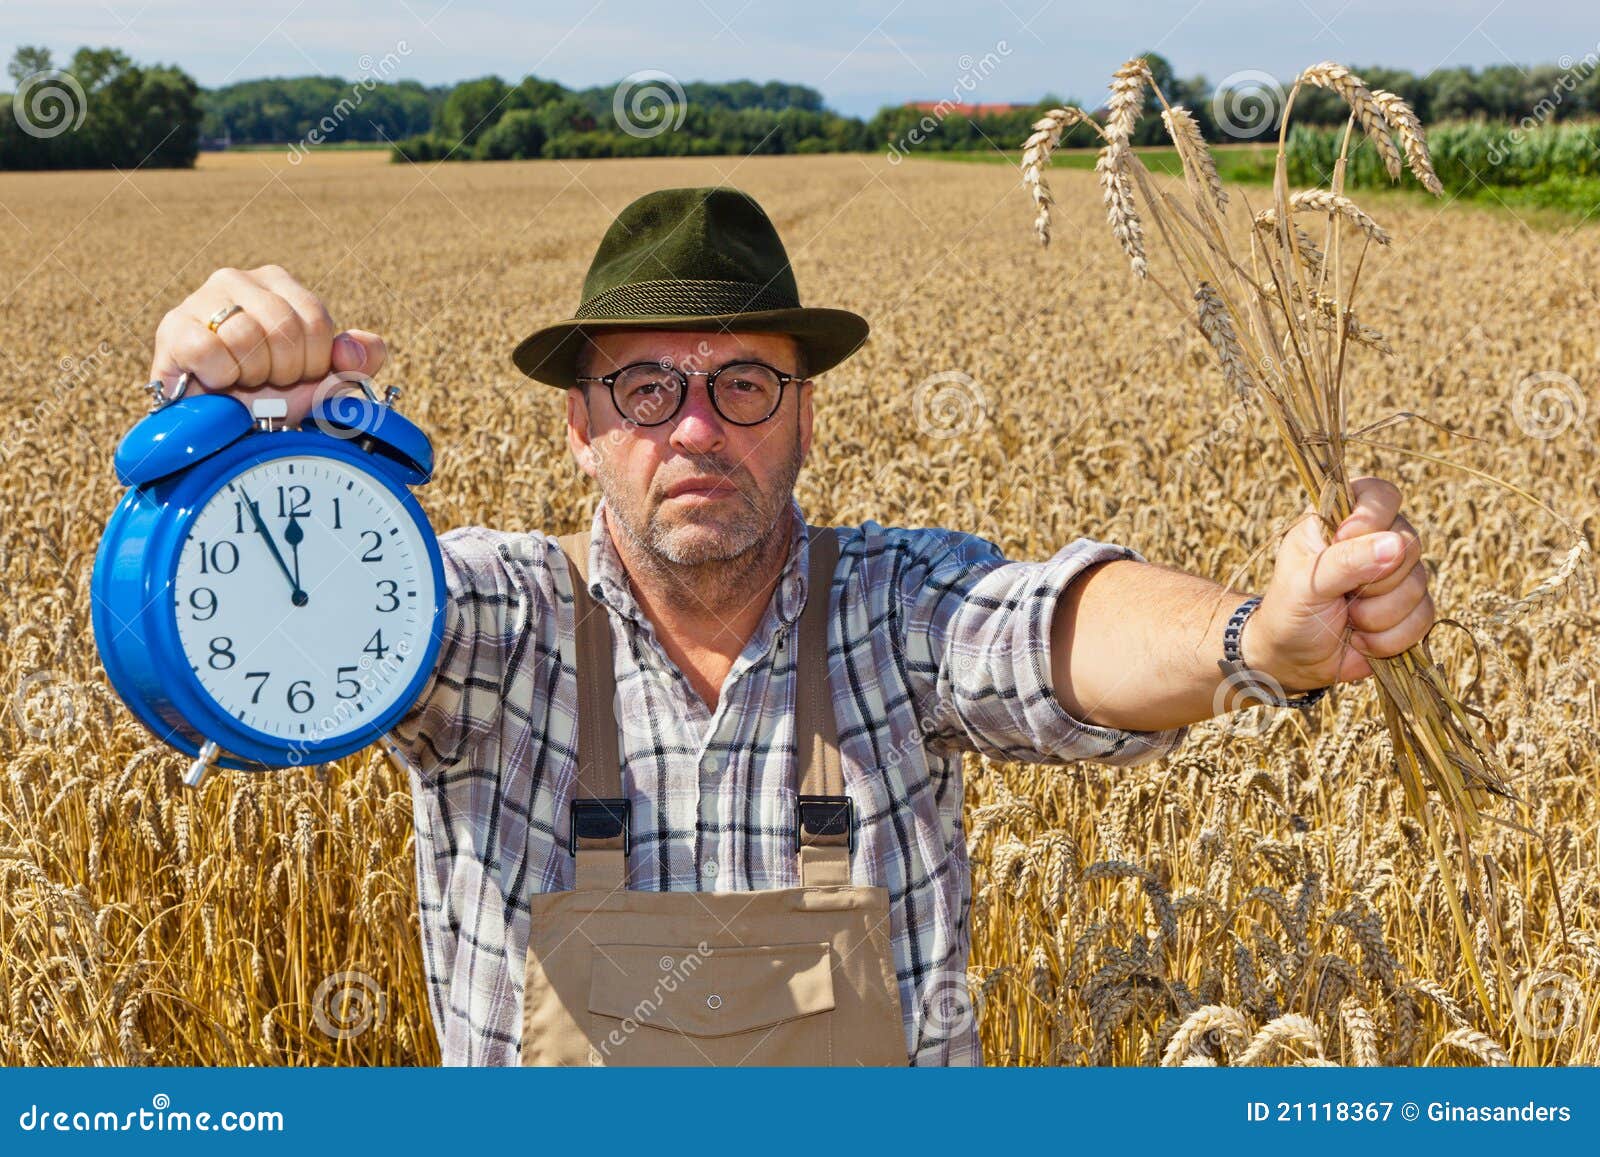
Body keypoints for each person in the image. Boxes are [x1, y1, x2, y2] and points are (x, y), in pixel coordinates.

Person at [147, 186, 1432, 1066]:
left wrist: (1256, 638)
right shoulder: (490, 627)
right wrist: (240, 470)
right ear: (581, 428)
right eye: (645, 387)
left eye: (743, 382)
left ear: (805, 414)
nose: (696, 427)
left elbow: (1052, 628)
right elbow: (265, 652)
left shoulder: (890, 613)